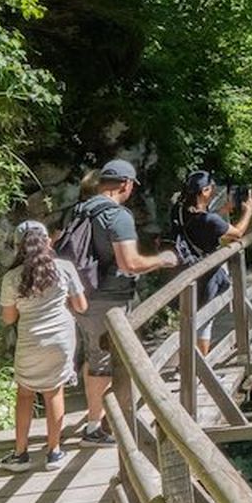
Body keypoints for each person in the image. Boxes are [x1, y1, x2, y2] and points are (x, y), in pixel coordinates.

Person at [70, 159, 179, 447]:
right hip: (109, 298)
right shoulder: (118, 216)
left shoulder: (81, 208)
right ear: (126, 185)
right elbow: (129, 262)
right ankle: (106, 426)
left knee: (95, 357)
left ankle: (98, 420)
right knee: (109, 361)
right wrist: (162, 260)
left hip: (82, 295)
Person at [0, 221, 86, 471]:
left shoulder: (12, 278)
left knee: (25, 393)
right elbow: (81, 307)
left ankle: (20, 454)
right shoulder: (64, 268)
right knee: (54, 392)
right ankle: (54, 453)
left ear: (18, 246)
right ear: (48, 242)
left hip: (30, 340)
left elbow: (8, 319)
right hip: (61, 339)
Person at [174, 171, 252, 356]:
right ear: (204, 191)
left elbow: (205, 222)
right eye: (211, 188)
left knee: (191, 318)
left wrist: (222, 212)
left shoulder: (180, 210)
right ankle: (198, 368)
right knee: (204, 320)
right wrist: (248, 211)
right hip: (206, 275)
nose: (213, 191)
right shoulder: (210, 221)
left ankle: (188, 363)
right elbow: (238, 233)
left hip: (185, 270)